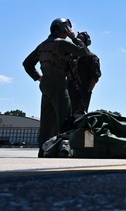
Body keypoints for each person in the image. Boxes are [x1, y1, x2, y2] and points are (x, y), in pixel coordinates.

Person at [22, 17, 90, 157]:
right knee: (64, 118)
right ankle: (61, 149)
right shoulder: (62, 44)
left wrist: (39, 77)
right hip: (59, 82)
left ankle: (43, 150)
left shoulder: (42, 45)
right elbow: (84, 52)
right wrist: (73, 38)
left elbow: (27, 63)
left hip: (45, 83)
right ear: (64, 28)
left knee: (46, 120)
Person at [66, 31, 101, 115]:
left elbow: (94, 77)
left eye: (80, 40)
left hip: (82, 91)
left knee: (79, 115)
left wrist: (88, 91)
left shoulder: (91, 57)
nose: (78, 41)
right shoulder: (71, 56)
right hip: (69, 89)